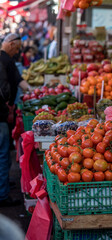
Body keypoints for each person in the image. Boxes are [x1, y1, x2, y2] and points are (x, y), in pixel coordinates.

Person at [0, 33, 31, 207]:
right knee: (3, 154)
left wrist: (31, 90)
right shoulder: (2, 60)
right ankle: (2, 195)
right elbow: (4, 87)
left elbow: (18, 80)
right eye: (17, 48)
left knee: (4, 153)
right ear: (11, 44)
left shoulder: (6, 60)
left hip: (3, 114)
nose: (17, 52)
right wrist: (8, 104)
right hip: (1, 114)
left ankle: (2, 185)